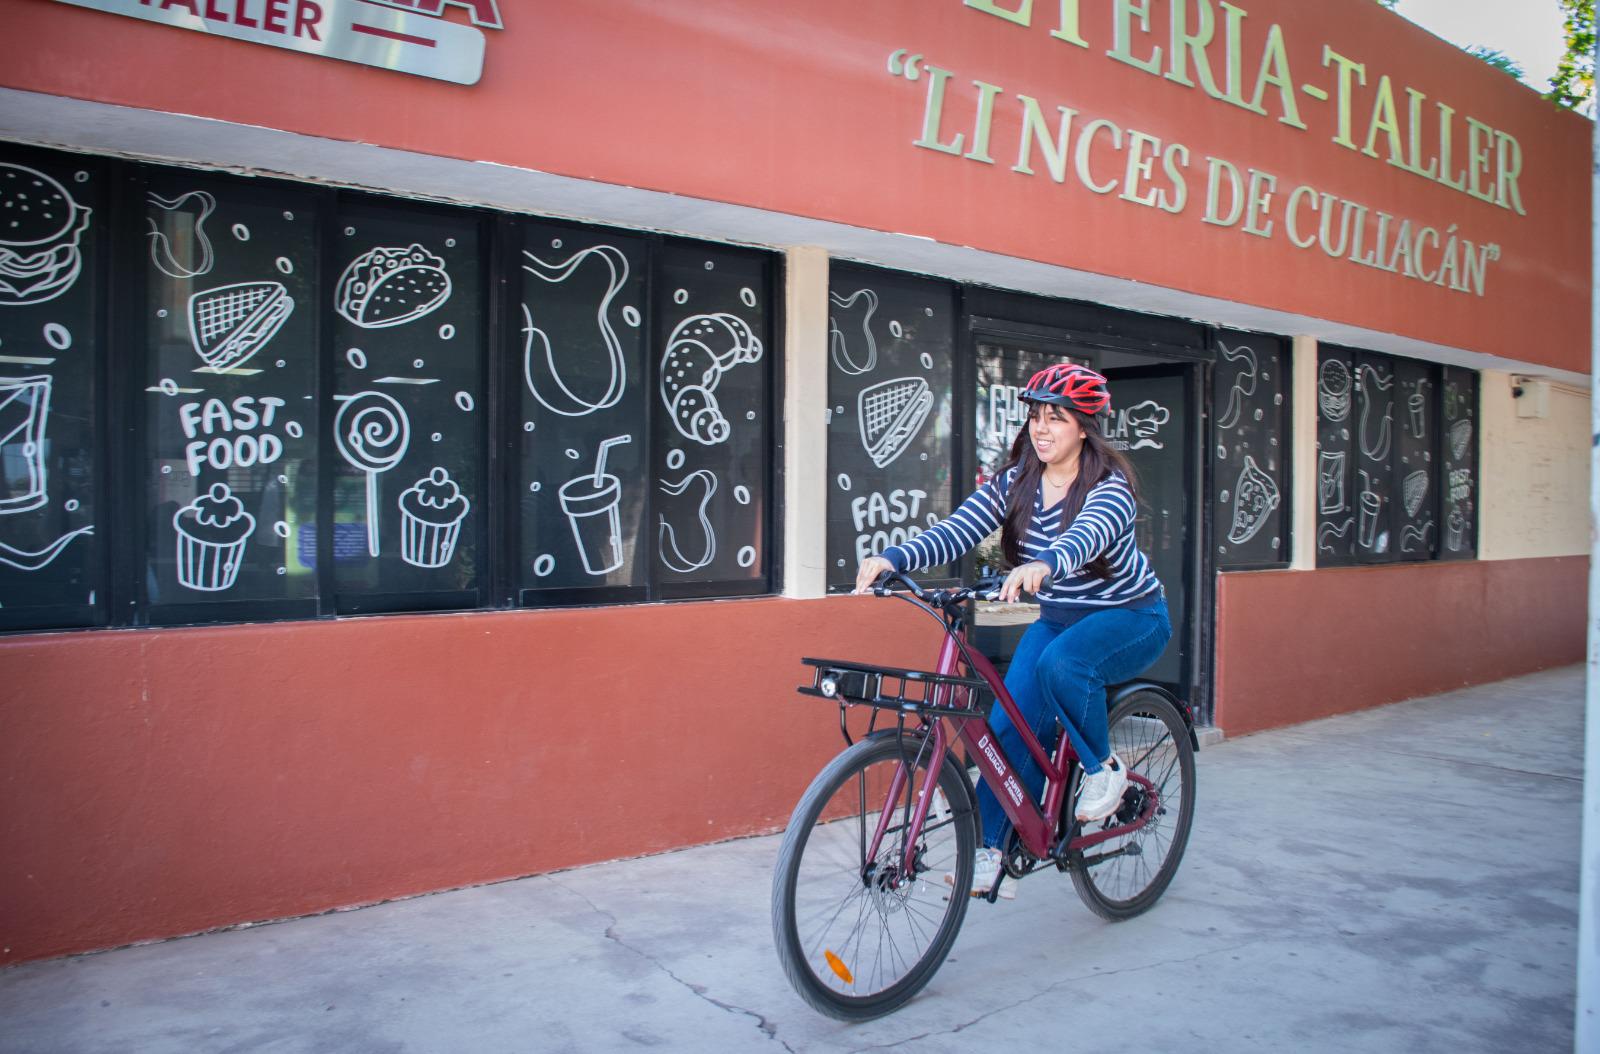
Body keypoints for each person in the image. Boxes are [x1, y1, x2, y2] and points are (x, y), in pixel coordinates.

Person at [854, 362, 1171, 899]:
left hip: (1131, 616)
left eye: (1058, 419)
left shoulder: (1109, 487)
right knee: (1006, 731)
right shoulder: (1017, 481)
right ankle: (991, 852)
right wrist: (894, 557)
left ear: (1085, 427)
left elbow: (1089, 536)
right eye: (1036, 419)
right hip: (1059, 619)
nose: (1042, 430)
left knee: (1065, 665)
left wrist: (1046, 563)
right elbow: (961, 528)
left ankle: (1103, 768)